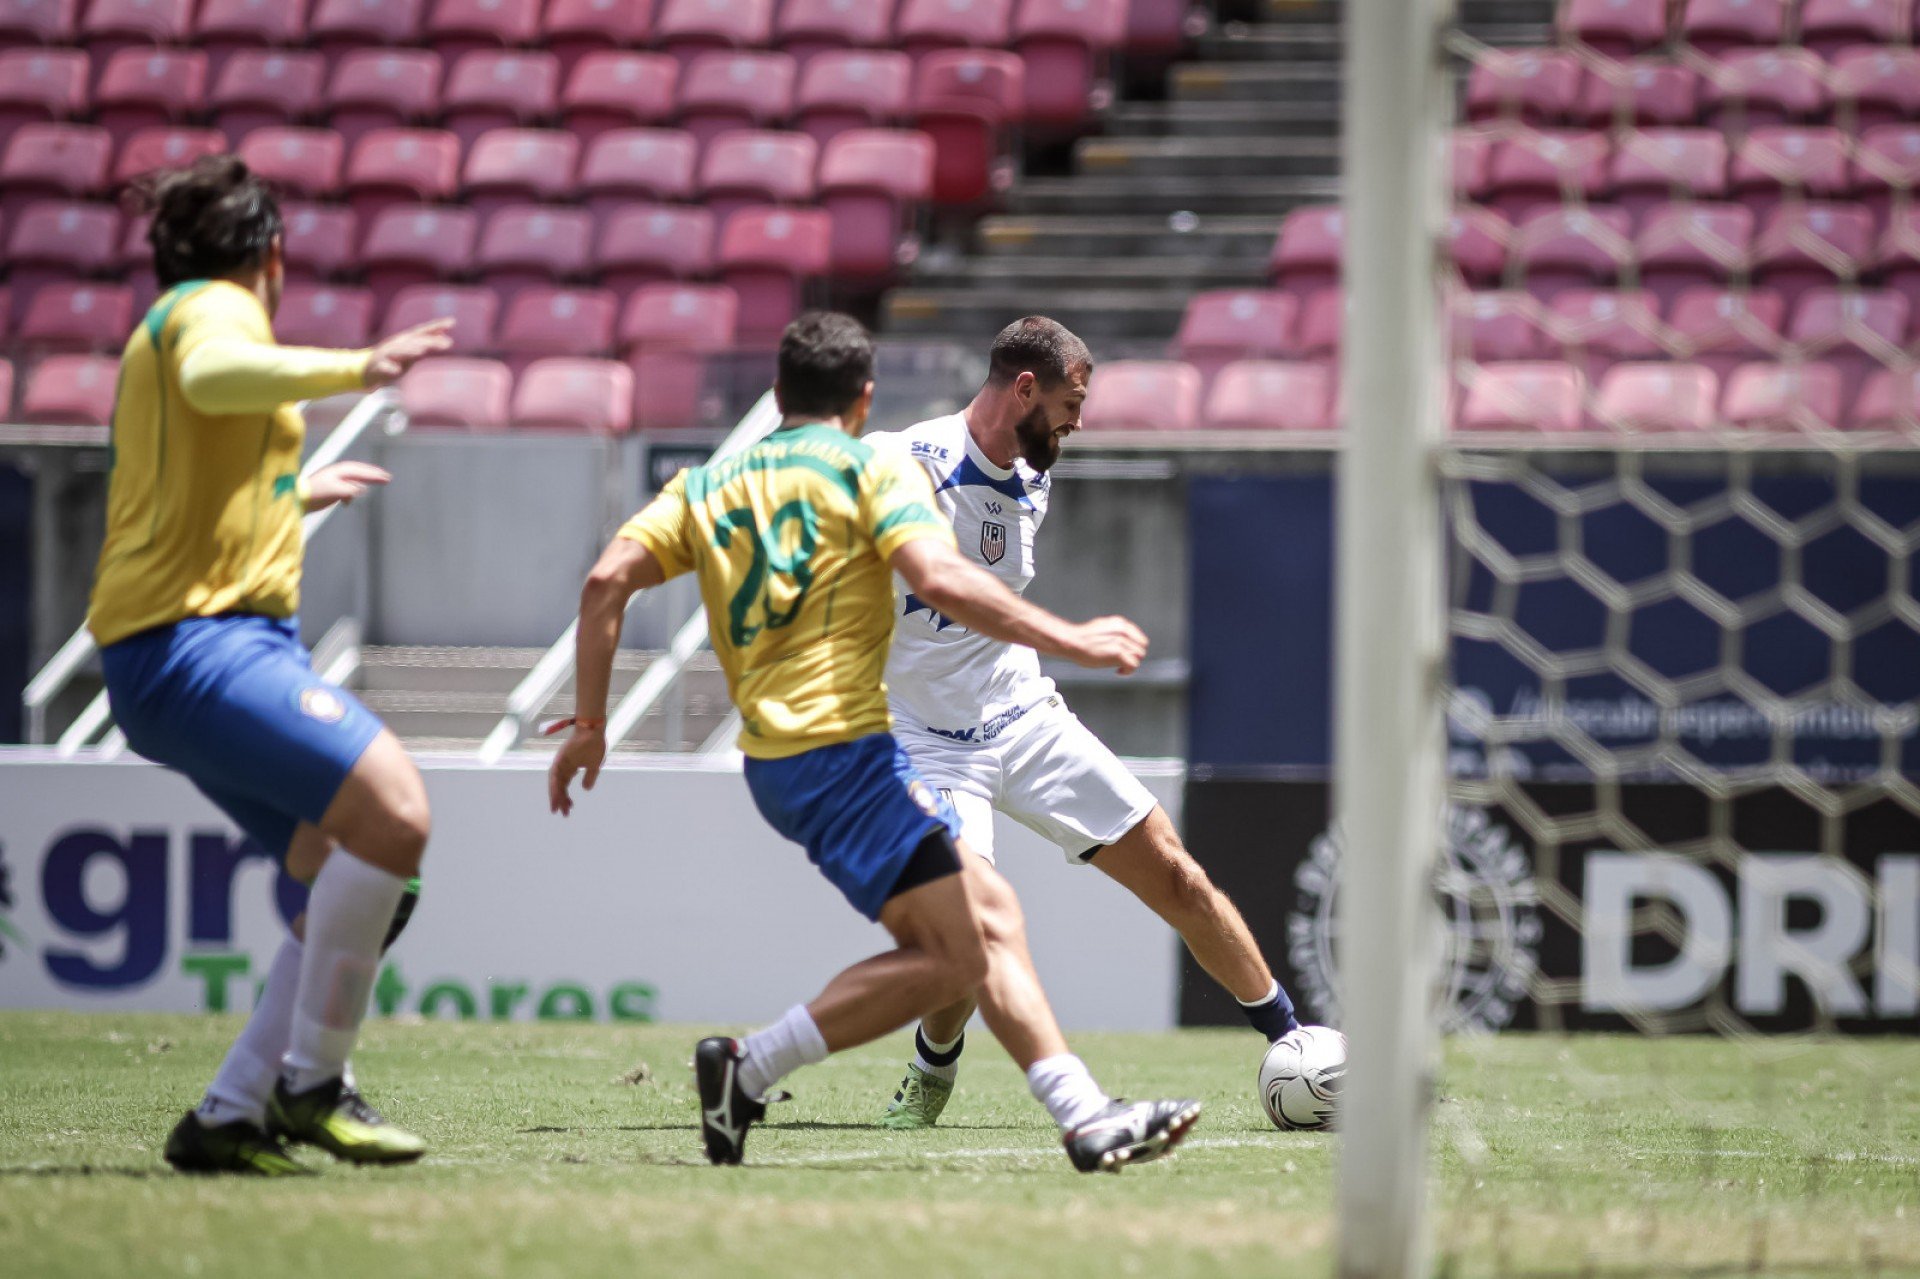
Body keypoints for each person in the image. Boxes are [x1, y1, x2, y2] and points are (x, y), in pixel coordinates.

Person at [548, 312, 1201, 1173]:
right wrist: (1073, 640)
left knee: (979, 928)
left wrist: (591, 723)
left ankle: (1070, 1112)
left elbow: (605, 583)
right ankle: (762, 1066)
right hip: (847, 751)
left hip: (772, 761)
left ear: (778, 394)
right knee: (963, 943)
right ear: (862, 400)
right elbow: (939, 580)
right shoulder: (874, 467)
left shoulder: (709, 484)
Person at [88, 155, 455, 1175]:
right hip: (189, 643)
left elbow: (181, 504)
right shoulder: (212, 312)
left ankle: (229, 1113)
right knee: (396, 810)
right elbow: (216, 377)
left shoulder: (170, 324)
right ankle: (313, 1084)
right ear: (273, 257)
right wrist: (357, 366)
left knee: (350, 871)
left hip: (200, 640)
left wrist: (295, 493)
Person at [871, 317, 1304, 1130]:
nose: (1079, 420)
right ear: (1025, 388)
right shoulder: (906, 462)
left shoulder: (1036, 470)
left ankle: (1296, 1041)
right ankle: (931, 1072)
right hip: (926, 740)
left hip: (1021, 714)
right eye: (1071, 402)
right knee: (967, 939)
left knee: (1177, 873)